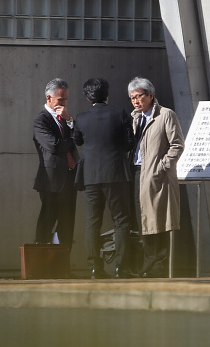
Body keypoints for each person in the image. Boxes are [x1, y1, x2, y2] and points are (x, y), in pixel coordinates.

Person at [73, 78, 134, 279]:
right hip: (116, 173)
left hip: (91, 176)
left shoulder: (80, 118)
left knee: (92, 222)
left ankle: (95, 268)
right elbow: (129, 143)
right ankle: (121, 267)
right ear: (107, 93)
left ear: (88, 97)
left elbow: (78, 140)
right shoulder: (119, 113)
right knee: (121, 221)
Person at [128, 77, 184, 278]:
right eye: (132, 97)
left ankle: (156, 266)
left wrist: (161, 167)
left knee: (157, 219)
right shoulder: (135, 117)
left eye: (139, 96)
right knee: (142, 218)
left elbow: (177, 145)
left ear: (151, 95)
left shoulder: (165, 114)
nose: (135, 101)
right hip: (137, 173)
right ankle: (149, 263)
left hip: (155, 175)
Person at [33, 78, 80, 250]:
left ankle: (63, 263)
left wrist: (70, 121)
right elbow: (53, 145)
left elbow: (80, 137)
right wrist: (72, 138)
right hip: (51, 180)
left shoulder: (65, 118)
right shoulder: (41, 120)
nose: (64, 103)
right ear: (49, 98)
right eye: (60, 99)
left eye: (66, 99)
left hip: (70, 176)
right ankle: (40, 261)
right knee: (48, 219)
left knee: (67, 222)